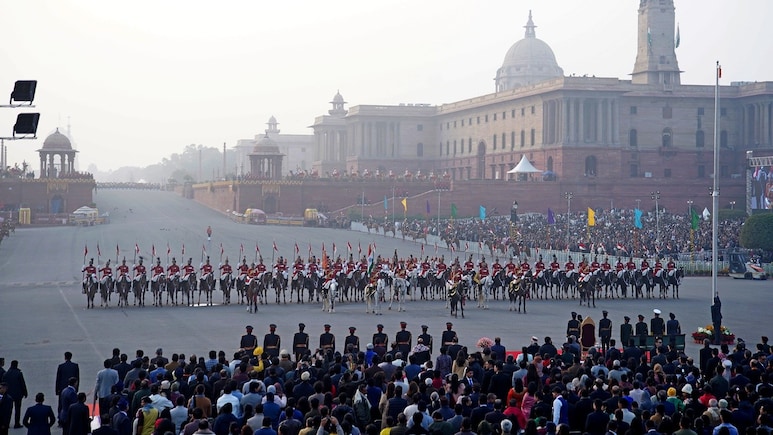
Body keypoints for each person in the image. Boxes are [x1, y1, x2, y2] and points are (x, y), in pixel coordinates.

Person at [3, 360, 27, 429]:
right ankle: (17, 423)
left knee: (8, 410)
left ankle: (6, 423)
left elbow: (3, 384)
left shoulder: (5, 374)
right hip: (18, 395)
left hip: (8, 395)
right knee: (17, 409)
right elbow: (22, 384)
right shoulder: (19, 373)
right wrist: (25, 392)